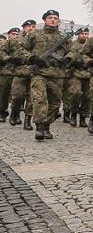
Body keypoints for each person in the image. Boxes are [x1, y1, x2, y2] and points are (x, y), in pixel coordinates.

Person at [19, 10, 70, 140]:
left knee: (55, 103)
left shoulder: (63, 37)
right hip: (39, 73)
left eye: (55, 18)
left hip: (57, 74)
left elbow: (74, 51)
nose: (53, 20)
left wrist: (68, 58)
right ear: (44, 20)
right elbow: (20, 49)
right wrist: (31, 58)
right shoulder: (35, 34)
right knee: (39, 100)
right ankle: (40, 128)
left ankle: (47, 126)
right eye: (50, 18)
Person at [8, 19, 36, 130]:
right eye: (28, 26)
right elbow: (3, 52)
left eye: (33, 27)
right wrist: (10, 59)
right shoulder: (15, 40)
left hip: (34, 72)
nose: (31, 28)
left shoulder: (38, 40)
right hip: (19, 72)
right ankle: (14, 113)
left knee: (31, 99)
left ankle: (27, 120)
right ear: (23, 28)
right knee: (17, 96)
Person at [64, 27, 91, 128]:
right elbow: (69, 55)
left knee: (87, 97)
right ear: (79, 34)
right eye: (82, 34)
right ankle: (73, 114)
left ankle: (83, 117)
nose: (84, 36)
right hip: (75, 73)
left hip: (88, 74)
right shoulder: (73, 44)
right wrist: (73, 62)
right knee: (75, 93)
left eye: (86, 34)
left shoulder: (90, 45)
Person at [0, 28, 21, 123]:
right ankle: (3, 112)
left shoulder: (22, 45)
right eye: (13, 34)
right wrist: (9, 59)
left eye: (17, 34)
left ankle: (15, 114)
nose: (15, 36)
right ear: (9, 35)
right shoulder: (4, 44)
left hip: (18, 73)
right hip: (6, 72)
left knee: (18, 95)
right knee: (4, 94)